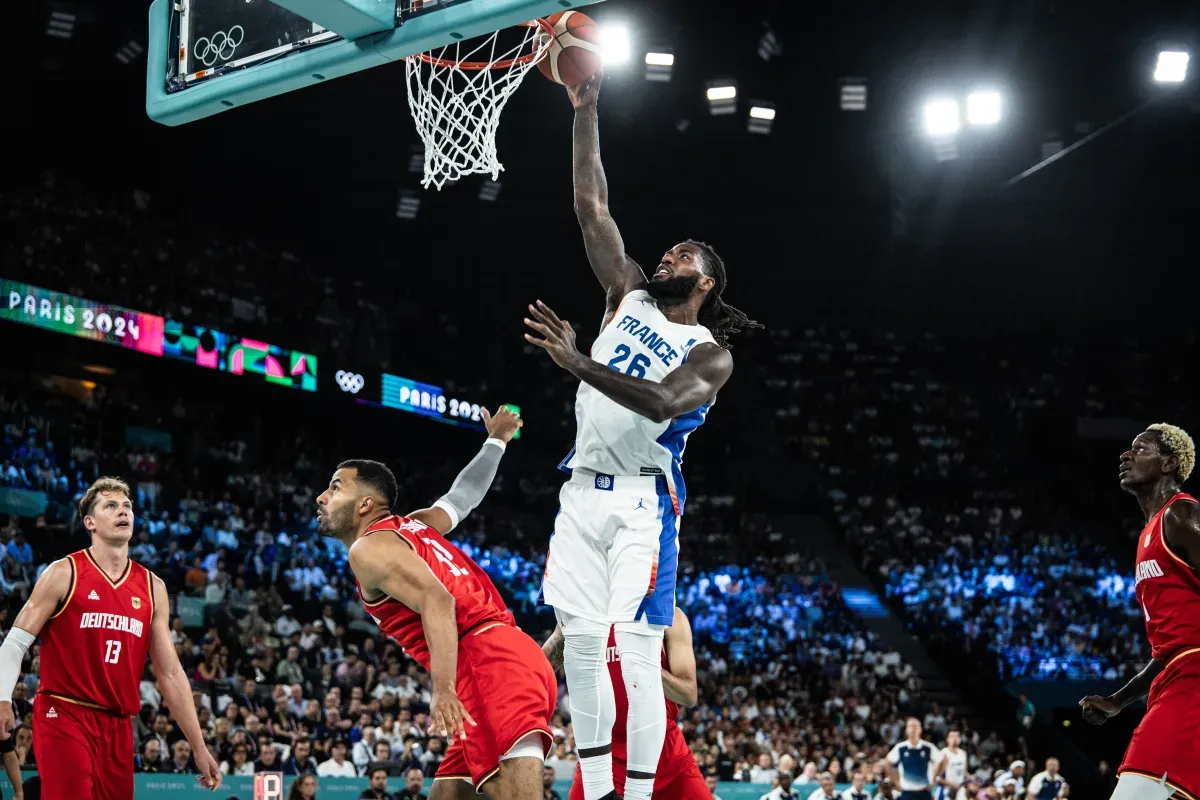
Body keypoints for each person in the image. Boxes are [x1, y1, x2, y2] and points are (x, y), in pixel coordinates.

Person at [523, 68, 761, 800]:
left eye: (683, 257)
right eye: (667, 252)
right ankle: (595, 790)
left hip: (642, 504)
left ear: (707, 283)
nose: (666, 258)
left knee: (635, 646)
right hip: (581, 491)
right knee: (588, 652)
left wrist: (574, 361)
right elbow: (591, 203)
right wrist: (586, 110)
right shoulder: (624, 291)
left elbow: (661, 403)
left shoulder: (709, 354)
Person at [315, 406, 556, 800]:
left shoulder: (367, 548)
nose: (322, 496)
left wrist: (442, 687)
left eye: (336, 486)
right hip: (510, 653)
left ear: (365, 505)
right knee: (447, 794)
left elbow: (437, 599)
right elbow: (464, 496)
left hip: (485, 665)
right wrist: (496, 441)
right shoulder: (416, 527)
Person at [0, 478, 221, 800]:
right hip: (64, 714)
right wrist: (3, 698)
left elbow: (171, 674)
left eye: (127, 506)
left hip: (118, 726)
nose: (123, 511)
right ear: (90, 522)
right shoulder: (64, 572)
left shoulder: (151, 586)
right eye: (111, 505)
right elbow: (15, 644)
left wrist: (199, 747)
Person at [1080, 424, 1200, 800]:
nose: (1126, 455)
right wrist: (1119, 699)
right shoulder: (1150, 531)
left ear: (1168, 464)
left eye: (1140, 449)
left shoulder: (1181, 515)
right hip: (1174, 674)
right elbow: (1170, 649)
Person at [546, 608, 705, 800]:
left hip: (665, 753)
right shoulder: (584, 608)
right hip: (603, 753)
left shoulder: (668, 614)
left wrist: (644, 665)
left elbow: (688, 695)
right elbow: (544, 665)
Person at [886, 719, 940, 800]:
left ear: (920, 729)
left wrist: (936, 777)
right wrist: (896, 781)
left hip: (924, 791)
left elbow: (943, 760)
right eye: (910, 726)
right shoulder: (900, 747)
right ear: (906, 730)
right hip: (907, 792)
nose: (912, 729)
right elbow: (887, 762)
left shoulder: (928, 747)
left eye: (915, 726)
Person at [934, 731, 967, 800]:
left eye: (957, 736)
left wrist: (973, 778)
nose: (955, 738)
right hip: (946, 790)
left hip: (960, 789)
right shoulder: (943, 754)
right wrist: (952, 785)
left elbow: (965, 773)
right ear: (947, 739)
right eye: (952, 736)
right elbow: (936, 776)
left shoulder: (963, 753)